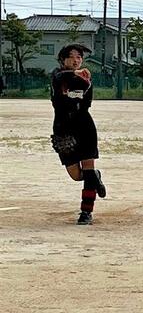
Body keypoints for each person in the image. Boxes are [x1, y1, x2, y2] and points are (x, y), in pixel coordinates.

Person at [50, 44, 107, 225]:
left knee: (87, 170)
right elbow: (60, 79)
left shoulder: (85, 79)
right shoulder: (57, 75)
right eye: (72, 57)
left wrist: (82, 81)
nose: (76, 60)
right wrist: (75, 74)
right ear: (63, 59)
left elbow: (86, 103)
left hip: (84, 126)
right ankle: (95, 176)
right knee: (76, 175)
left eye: (79, 57)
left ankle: (86, 212)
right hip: (63, 129)